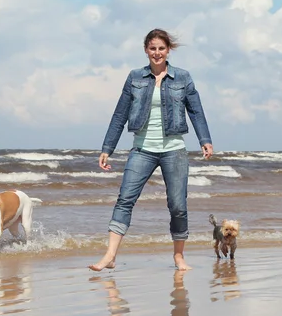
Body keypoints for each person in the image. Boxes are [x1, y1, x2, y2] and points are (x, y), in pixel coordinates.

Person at [88, 28, 213, 272]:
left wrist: (204, 139)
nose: (157, 53)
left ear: (168, 50)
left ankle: (178, 257)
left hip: (174, 149)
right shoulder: (135, 77)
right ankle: (110, 255)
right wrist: (107, 148)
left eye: (161, 48)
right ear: (146, 50)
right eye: (152, 48)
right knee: (125, 199)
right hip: (142, 148)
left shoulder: (183, 78)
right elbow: (120, 114)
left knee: (178, 205)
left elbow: (196, 110)